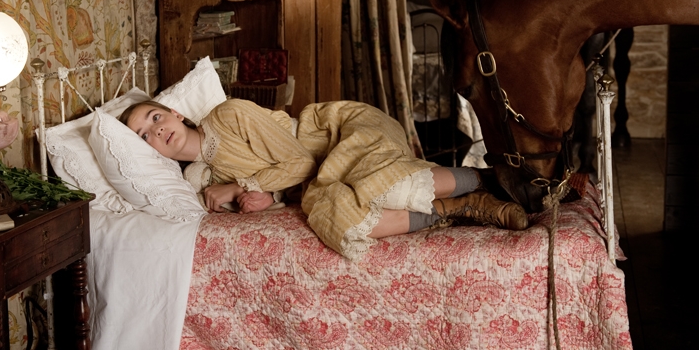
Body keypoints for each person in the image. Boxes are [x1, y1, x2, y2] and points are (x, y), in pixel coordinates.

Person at [119, 98, 529, 261]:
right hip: (319, 179)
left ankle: (491, 179)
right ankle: (461, 207)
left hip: (336, 132)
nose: (157, 130)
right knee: (336, 217)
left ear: (176, 114)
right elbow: (282, 190)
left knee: (377, 180)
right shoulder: (203, 180)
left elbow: (298, 160)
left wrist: (244, 187)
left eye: (155, 117)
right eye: (144, 136)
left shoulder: (227, 116)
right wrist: (264, 198)